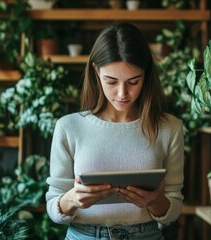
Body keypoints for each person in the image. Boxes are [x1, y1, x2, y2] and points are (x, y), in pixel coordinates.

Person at [46, 22, 184, 240]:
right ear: (95, 72)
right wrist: (73, 199)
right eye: (111, 81)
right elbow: (53, 206)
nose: (122, 93)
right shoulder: (69, 127)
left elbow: (173, 209)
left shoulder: (169, 128)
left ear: (146, 75)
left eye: (133, 81)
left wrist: (156, 201)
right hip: (83, 235)